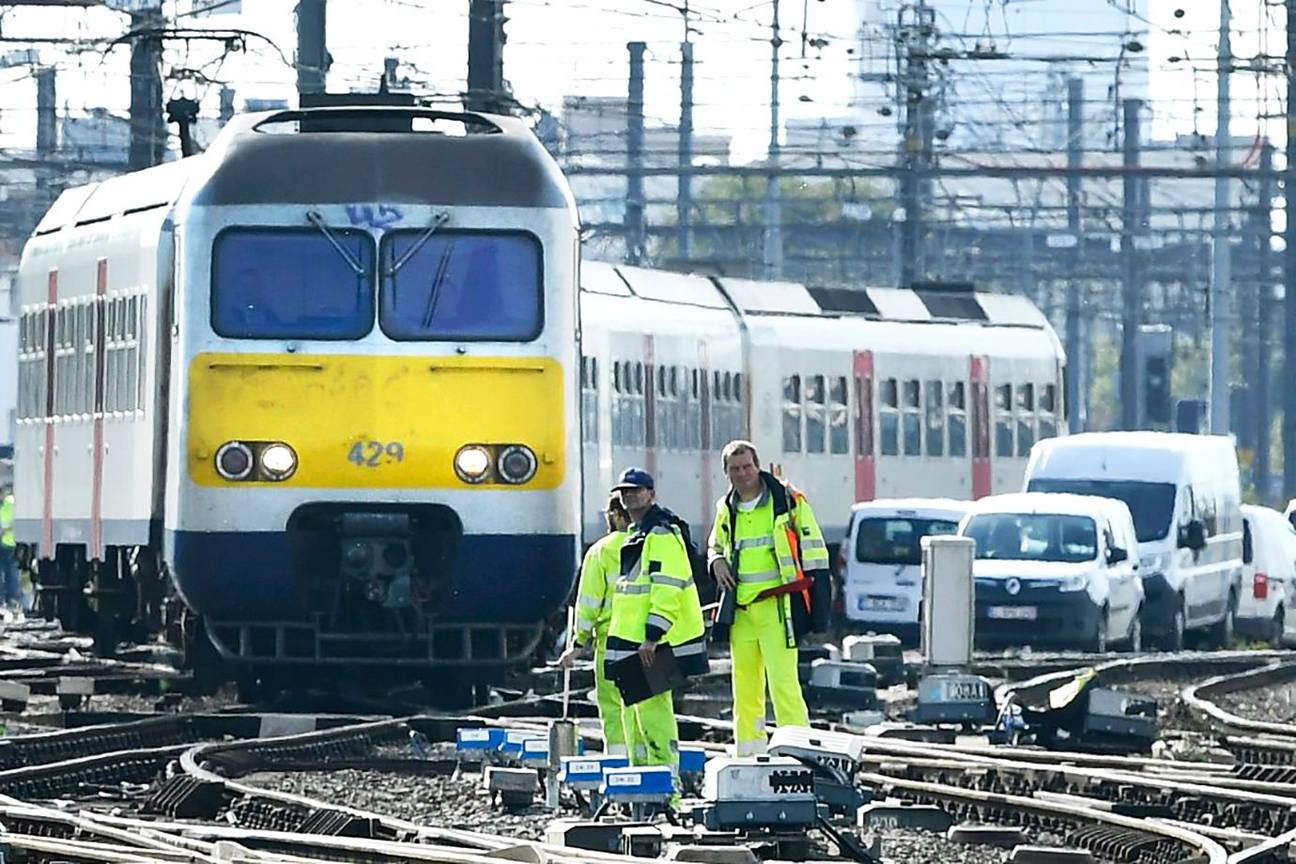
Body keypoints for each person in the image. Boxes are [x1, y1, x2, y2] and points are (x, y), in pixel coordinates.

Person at [707, 440, 830, 755]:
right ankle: (749, 752)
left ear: (757, 466)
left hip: (778, 608)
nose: (742, 473)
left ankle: (799, 751)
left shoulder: (787, 501)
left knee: (783, 684)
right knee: (745, 687)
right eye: (735, 469)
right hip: (742, 612)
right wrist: (715, 561)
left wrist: (818, 607)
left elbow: (815, 551)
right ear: (726, 473)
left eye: (747, 466)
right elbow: (715, 545)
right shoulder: (726, 508)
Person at [604, 467, 707, 789]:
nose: (630, 496)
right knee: (637, 719)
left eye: (636, 490)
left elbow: (667, 588)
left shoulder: (660, 534)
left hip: (652, 644)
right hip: (634, 642)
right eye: (625, 492)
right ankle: (643, 788)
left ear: (651, 494)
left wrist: (653, 635)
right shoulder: (638, 533)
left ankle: (666, 790)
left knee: (654, 718)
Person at [558, 494, 632, 755]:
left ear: (617, 516)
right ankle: (651, 768)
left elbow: (588, 604)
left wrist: (577, 643)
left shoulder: (601, 551)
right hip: (649, 643)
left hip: (612, 644)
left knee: (613, 708)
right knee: (645, 709)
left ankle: (619, 762)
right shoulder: (653, 544)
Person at [0, 483, 21, 613]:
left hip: (9, 544)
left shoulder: (10, 504)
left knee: (12, 573)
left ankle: (12, 599)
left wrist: (5, 530)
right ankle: (4, 599)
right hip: (4, 544)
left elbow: (16, 522)